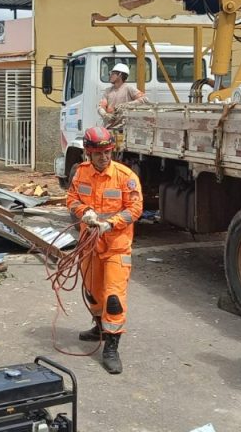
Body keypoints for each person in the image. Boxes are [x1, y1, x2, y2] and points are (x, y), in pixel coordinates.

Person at [66, 126, 143, 374]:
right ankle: (99, 327)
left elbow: (135, 209)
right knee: (93, 293)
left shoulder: (125, 176)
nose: (104, 157)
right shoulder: (80, 174)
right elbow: (72, 198)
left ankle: (111, 347)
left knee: (113, 299)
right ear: (88, 153)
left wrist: (110, 223)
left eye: (108, 152)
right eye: (98, 153)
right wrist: (83, 212)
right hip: (89, 245)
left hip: (116, 247)